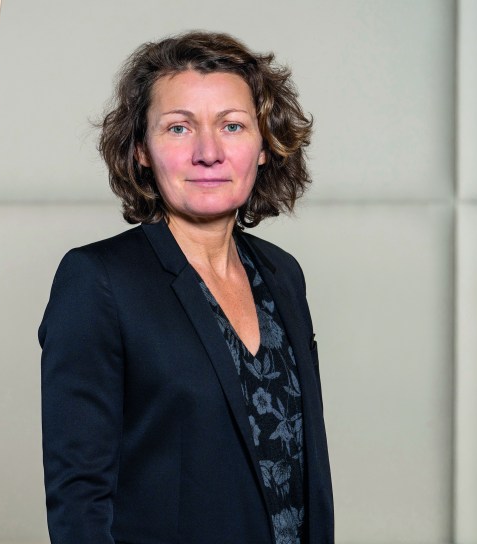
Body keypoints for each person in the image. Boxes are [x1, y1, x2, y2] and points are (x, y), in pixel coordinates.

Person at [38, 31, 333, 543]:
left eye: (232, 126)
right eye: (179, 128)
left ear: (265, 145)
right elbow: (79, 500)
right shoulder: (97, 280)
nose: (208, 153)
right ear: (141, 150)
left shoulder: (283, 274)